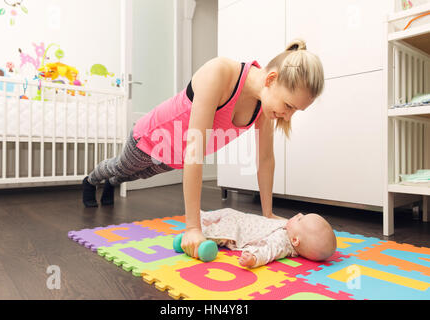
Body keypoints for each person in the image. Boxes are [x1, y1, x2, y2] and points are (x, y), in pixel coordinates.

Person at [82, 39, 325, 260]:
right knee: (121, 167)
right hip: (150, 139)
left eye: (295, 111)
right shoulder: (219, 73)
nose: (287, 114)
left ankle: (111, 184)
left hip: (174, 157)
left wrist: (268, 214)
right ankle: (91, 180)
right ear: (271, 79)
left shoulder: (264, 106)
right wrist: (192, 228)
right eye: (288, 106)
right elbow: (195, 151)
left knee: (134, 176)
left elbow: (265, 159)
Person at [200, 208, 337, 268]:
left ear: (295, 240)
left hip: (238, 231)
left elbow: (268, 251)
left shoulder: (282, 243)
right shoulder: (292, 231)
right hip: (245, 220)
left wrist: (253, 258)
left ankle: (196, 228)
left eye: (300, 219)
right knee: (227, 212)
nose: (299, 213)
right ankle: (201, 215)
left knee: (214, 231)